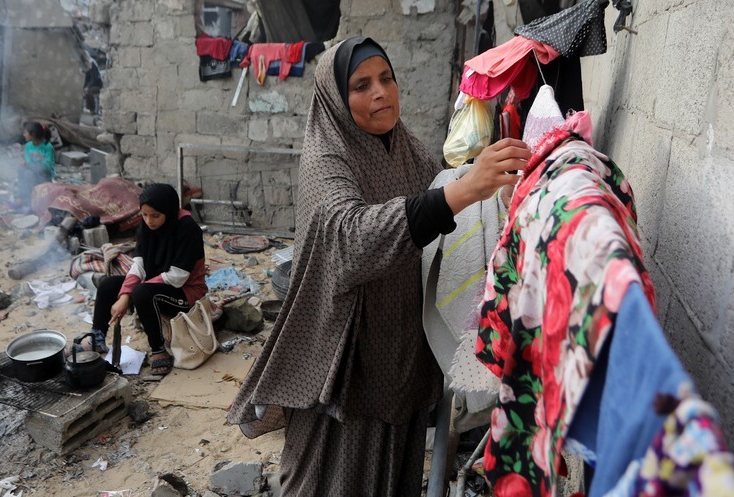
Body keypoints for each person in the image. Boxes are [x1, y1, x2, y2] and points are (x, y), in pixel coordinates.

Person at [226, 37, 531, 495]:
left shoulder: (404, 147)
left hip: (400, 360)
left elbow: (442, 202)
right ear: (335, 98)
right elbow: (349, 239)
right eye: (361, 85)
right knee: (329, 482)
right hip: (345, 362)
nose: (381, 93)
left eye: (386, 78)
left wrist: (499, 195)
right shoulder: (326, 160)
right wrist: (467, 188)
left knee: (393, 478)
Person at [76, 183, 208, 377]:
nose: (149, 221)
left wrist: (129, 296)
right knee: (108, 284)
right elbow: (138, 265)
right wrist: (124, 295)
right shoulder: (146, 227)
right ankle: (97, 336)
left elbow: (178, 277)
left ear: (169, 212)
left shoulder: (188, 229)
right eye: (144, 215)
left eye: (155, 215)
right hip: (157, 285)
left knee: (141, 292)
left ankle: (158, 349)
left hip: (187, 293)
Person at [16, 121, 55, 210]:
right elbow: (28, 161)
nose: (24, 135)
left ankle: (31, 202)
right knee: (22, 170)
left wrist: (41, 159)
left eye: (25, 132)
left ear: (32, 134)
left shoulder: (48, 147)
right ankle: (23, 197)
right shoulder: (28, 146)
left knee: (29, 175)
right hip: (32, 171)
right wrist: (25, 163)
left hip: (44, 175)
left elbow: (48, 167)